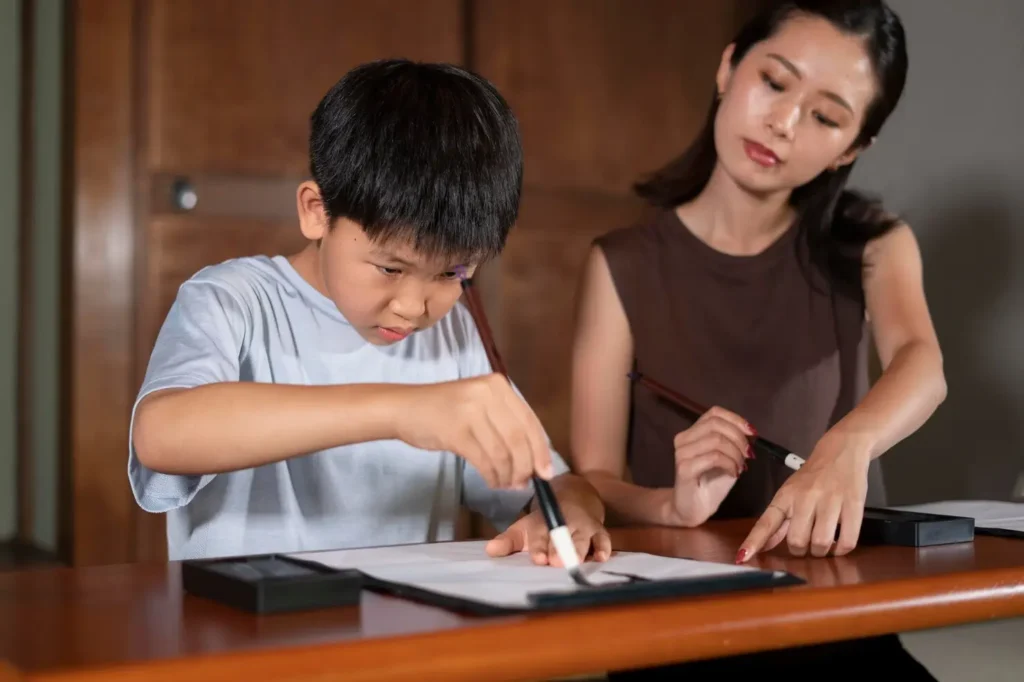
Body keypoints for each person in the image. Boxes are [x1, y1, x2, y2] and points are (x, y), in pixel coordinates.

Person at [570, 0, 944, 678]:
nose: (784, 123)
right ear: (728, 66)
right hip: (677, 624)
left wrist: (847, 447)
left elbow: (923, 365)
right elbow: (593, 478)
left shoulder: (875, 243)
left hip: (835, 615)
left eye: (827, 117)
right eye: (774, 82)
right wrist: (670, 506)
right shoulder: (622, 262)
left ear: (853, 148)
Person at [128, 59, 610, 566]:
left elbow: (554, 483)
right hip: (247, 633)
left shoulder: (455, 334)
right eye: (389, 268)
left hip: (403, 629)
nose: (414, 306)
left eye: (452, 274)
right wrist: (401, 411)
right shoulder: (234, 301)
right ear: (317, 212)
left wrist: (571, 510)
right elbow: (161, 435)